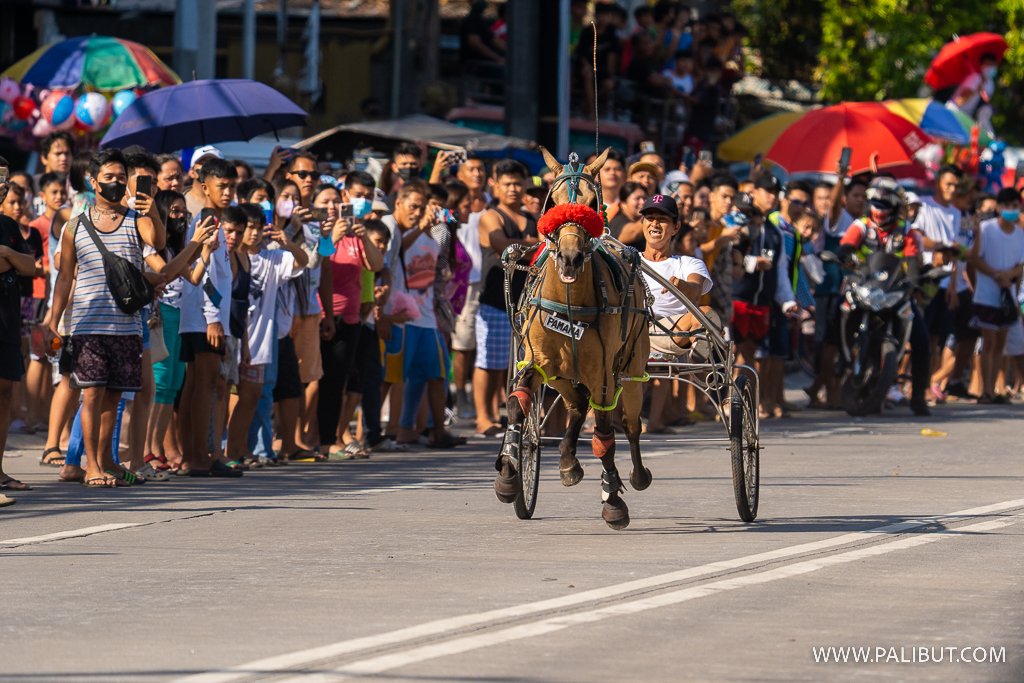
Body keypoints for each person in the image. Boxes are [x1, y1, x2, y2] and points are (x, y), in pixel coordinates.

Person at [46, 148, 165, 488]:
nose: (116, 183)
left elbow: (157, 241)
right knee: (92, 395)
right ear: (93, 182)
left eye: (121, 177)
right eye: (109, 177)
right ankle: (92, 466)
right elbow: (64, 278)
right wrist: (53, 321)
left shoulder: (136, 219)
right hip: (88, 324)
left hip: (127, 326)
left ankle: (108, 461)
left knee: (114, 397)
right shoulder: (75, 226)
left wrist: (153, 211)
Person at [838, 177, 931, 416]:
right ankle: (840, 361)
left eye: (885, 204)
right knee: (833, 314)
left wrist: (914, 283)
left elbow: (911, 261)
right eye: (876, 203)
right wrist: (845, 259)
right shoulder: (860, 225)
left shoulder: (905, 230)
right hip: (863, 288)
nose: (879, 209)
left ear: (896, 207)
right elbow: (846, 247)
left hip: (895, 293)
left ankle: (918, 396)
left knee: (922, 340)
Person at [142, 190, 217, 476]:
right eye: (175, 211)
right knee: (160, 382)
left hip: (179, 315)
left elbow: (194, 277)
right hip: (160, 315)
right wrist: (194, 244)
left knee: (173, 384)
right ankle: (147, 448)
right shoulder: (152, 246)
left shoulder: (177, 248)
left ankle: (156, 448)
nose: (181, 217)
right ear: (162, 213)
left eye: (184, 212)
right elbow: (165, 273)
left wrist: (205, 250)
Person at [178, 157, 238, 477]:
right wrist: (213, 317)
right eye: (221, 186)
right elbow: (207, 274)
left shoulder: (212, 219)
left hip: (197, 316)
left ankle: (192, 456)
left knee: (195, 384)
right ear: (205, 187)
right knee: (205, 384)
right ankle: (200, 456)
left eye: (232, 187)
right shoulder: (208, 221)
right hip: (204, 317)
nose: (228, 192)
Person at [388, 180, 459, 449]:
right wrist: (420, 227)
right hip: (403, 316)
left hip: (428, 316)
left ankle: (437, 431)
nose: (425, 212)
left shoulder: (437, 236)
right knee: (396, 376)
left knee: (436, 374)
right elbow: (398, 251)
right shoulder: (403, 231)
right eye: (422, 206)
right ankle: (391, 429)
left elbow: (438, 274)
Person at [319, 181, 384, 457]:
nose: (332, 206)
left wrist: (364, 237)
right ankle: (314, 438)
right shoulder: (319, 231)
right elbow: (315, 262)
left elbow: (376, 265)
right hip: (323, 315)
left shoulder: (354, 231)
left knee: (339, 381)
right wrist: (332, 238)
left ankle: (330, 438)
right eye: (325, 202)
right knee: (319, 381)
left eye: (336, 201)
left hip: (351, 317)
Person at [638, 194, 714, 432]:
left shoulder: (688, 263)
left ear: (675, 227)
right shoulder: (627, 261)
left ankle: (698, 346)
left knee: (705, 312)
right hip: (632, 329)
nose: (655, 223)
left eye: (662, 219)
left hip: (672, 332)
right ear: (642, 224)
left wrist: (680, 285)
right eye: (650, 218)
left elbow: (696, 290)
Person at [474, 160, 538, 436]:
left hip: (527, 305)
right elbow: (504, 247)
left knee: (521, 366)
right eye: (507, 183)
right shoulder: (490, 216)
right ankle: (482, 419)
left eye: (518, 183)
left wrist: (526, 247)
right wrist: (535, 245)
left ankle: (512, 418)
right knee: (489, 363)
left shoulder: (532, 218)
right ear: (495, 186)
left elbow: (535, 248)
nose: (513, 188)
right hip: (495, 301)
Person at [0, 157, 38, 495]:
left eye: (5, 179)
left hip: (8, 320)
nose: (2, 185)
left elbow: (31, 266)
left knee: (5, 392)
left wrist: (7, 254)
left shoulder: (9, 226)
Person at [968, 188, 1024, 403]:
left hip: (1007, 296)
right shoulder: (986, 228)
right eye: (1007, 205)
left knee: (1001, 343)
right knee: (988, 341)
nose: (1011, 210)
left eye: (1015, 206)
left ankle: (993, 390)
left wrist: (1008, 276)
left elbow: (1019, 266)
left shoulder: (1020, 234)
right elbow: (974, 258)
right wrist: (995, 274)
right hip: (986, 294)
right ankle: (986, 391)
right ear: (999, 207)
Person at [912, 165, 962, 396]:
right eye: (948, 184)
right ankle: (905, 385)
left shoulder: (956, 213)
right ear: (938, 183)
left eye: (956, 186)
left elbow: (955, 252)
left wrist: (953, 285)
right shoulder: (924, 205)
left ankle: (925, 387)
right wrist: (939, 245)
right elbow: (916, 236)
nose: (952, 189)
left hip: (945, 283)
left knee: (934, 339)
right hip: (926, 278)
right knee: (917, 337)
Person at [184, 147, 223, 218]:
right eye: (202, 163)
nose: (207, 167)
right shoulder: (179, 201)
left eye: (213, 164)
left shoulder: (228, 204)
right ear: (191, 172)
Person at [609, 181, 648, 248]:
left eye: (644, 198)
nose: (642, 202)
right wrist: (654, 214)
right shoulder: (617, 222)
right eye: (637, 198)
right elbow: (634, 233)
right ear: (623, 204)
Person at [599, 149, 627, 220]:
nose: (612, 173)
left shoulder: (631, 204)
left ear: (625, 174)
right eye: (607, 169)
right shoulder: (590, 205)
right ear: (597, 175)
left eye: (617, 169)